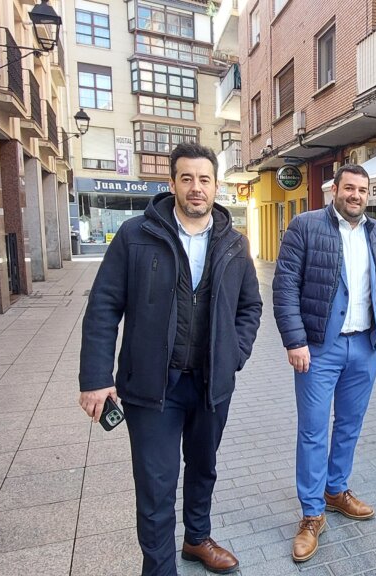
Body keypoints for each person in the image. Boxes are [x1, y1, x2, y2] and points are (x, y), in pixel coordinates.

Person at [78, 142, 261, 576]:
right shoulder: (136, 235)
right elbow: (104, 305)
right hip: (151, 386)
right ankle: (159, 570)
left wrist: (234, 354)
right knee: (157, 485)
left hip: (210, 383)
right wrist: (95, 377)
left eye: (204, 180)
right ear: (172, 184)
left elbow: (250, 307)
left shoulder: (234, 243)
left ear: (217, 186)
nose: (196, 188)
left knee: (204, 468)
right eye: (187, 179)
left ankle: (197, 539)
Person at [272, 164, 376, 563]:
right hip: (318, 349)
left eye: (362, 190)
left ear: (368, 194)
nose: (356, 195)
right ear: (335, 190)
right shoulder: (305, 226)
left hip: (365, 346)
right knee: (313, 431)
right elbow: (285, 284)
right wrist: (295, 340)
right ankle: (312, 514)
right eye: (349, 188)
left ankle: (336, 489)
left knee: (349, 424)